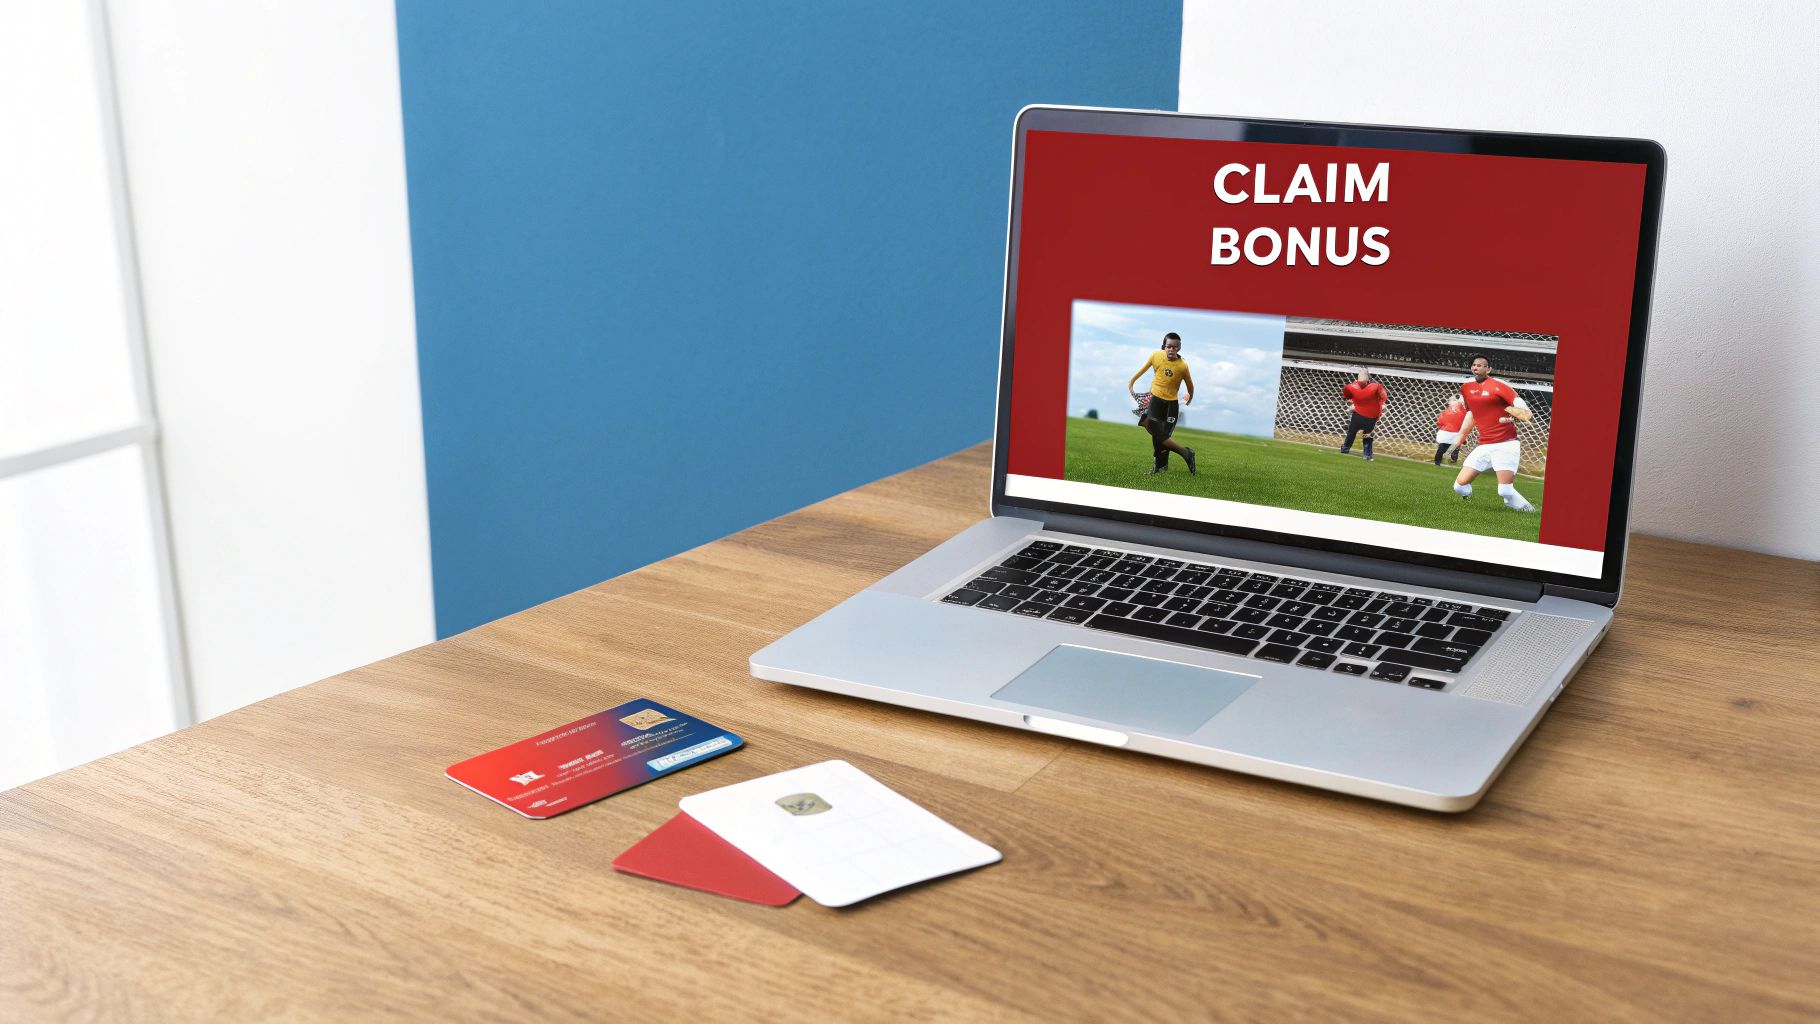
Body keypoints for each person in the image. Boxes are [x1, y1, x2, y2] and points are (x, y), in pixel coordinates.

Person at [1449, 355, 1536, 511]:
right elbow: (1472, 415)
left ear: (1488, 369)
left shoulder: (1499, 386)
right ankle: (1467, 499)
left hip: (1506, 444)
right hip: (1484, 445)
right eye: (1474, 365)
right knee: (1459, 486)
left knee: (1505, 490)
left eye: (1481, 365)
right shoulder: (1466, 389)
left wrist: (1509, 413)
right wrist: (1458, 442)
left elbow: (1527, 414)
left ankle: (1530, 511)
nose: (1476, 368)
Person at [1127, 332, 1197, 475]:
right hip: (1155, 401)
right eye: (1169, 346)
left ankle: (1182, 456)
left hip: (1171, 405)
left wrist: (1189, 398)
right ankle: (1166, 463)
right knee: (1154, 432)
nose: (1171, 350)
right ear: (1164, 346)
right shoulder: (1155, 356)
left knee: (1162, 437)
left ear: (1179, 348)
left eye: (1175, 347)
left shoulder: (1183, 366)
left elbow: (1190, 385)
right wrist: (1131, 384)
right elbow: (1142, 370)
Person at [1339, 368, 1387, 460]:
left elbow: (1347, 396)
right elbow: (1384, 397)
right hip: (1371, 418)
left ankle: (1345, 448)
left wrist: (1353, 405)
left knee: (1351, 433)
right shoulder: (1376, 386)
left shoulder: (1351, 386)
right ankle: (1367, 455)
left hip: (1357, 415)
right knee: (1368, 436)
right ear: (1368, 380)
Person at [1434, 395, 1466, 465]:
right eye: (1453, 400)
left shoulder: (1460, 410)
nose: (1455, 401)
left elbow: (1439, 423)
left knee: (1444, 448)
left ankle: (1441, 461)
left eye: (1455, 400)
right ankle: (1445, 460)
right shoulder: (1447, 412)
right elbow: (1440, 422)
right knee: (1446, 447)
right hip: (1449, 433)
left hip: (1451, 433)